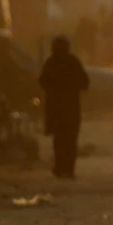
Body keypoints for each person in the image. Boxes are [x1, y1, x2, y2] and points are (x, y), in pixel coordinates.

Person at [39, 36, 90, 179]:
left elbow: (42, 82)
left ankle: (60, 168)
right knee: (70, 140)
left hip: (56, 109)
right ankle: (68, 169)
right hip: (71, 108)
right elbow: (85, 82)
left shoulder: (51, 63)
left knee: (59, 140)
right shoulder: (72, 62)